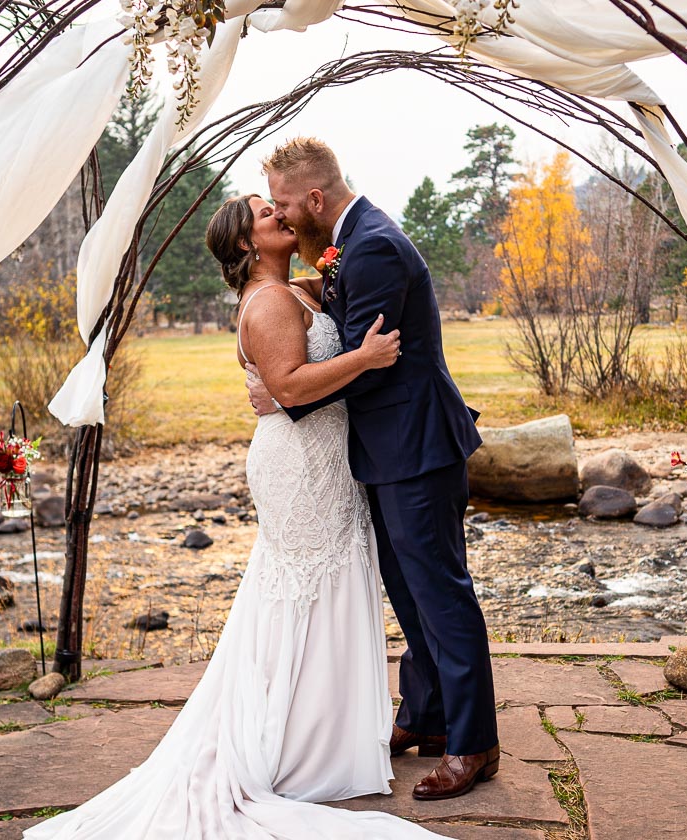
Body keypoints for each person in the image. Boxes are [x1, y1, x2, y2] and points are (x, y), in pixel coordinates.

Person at [24, 193, 454, 838]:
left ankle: (328, 735)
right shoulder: (271, 301)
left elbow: (324, 301)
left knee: (327, 587)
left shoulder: (295, 289)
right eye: (265, 214)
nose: (281, 216)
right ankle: (297, 745)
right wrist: (364, 359)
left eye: (277, 207)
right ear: (247, 244)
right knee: (306, 589)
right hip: (301, 465)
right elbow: (288, 387)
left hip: (327, 459)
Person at [249, 137, 499, 801]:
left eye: (283, 203)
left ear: (314, 198)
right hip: (387, 452)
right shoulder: (348, 242)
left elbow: (367, 357)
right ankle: (427, 717)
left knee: (442, 597)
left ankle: (476, 743)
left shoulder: (375, 245)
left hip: (417, 449)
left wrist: (284, 391)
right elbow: (341, 323)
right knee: (410, 592)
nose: (282, 215)